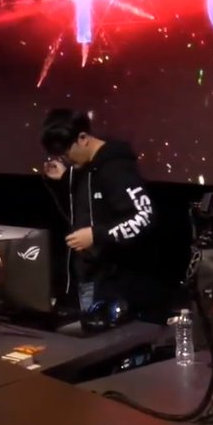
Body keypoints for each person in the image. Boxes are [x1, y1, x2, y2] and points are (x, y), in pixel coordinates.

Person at [40, 108, 158, 317]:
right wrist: (63, 181)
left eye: (66, 153)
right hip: (89, 278)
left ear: (82, 138)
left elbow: (144, 216)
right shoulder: (84, 170)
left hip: (114, 283)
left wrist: (96, 235)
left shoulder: (115, 168)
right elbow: (81, 212)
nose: (66, 159)